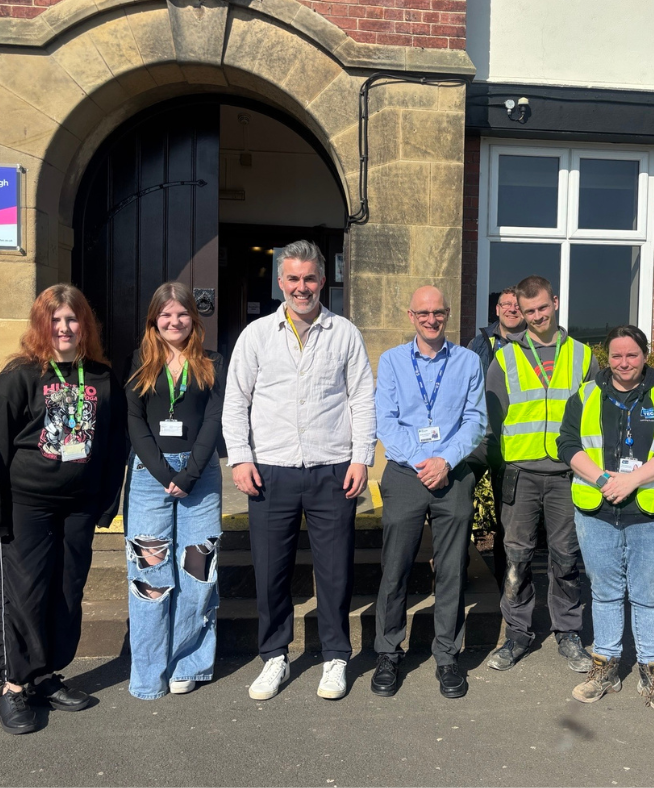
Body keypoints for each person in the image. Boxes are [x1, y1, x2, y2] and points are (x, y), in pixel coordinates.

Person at [222, 240, 376, 702]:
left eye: (309, 278)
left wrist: (361, 457)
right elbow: (236, 401)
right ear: (280, 281)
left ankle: (334, 656)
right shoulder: (256, 335)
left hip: (332, 468)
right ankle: (274, 656)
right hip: (271, 470)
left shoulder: (344, 332)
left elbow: (361, 399)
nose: (301, 287)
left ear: (322, 280)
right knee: (270, 570)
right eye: (292, 278)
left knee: (334, 571)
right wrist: (241, 456)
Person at [0, 284, 127, 735]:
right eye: (55, 320)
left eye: (72, 319)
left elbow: (113, 445)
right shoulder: (20, 376)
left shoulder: (100, 376)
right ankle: (14, 684)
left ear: (86, 325)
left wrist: (105, 502)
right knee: (24, 596)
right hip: (27, 507)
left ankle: (44, 676)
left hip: (77, 507)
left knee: (66, 593)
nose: (64, 328)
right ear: (42, 325)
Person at [558, 325, 654, 711]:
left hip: (651, 514)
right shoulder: (586, 396)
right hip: (597, 510)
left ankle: (653, 675)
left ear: (645, 356)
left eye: (631, 355)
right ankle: (606, 667)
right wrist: (603, 480)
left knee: (648, 596)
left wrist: (632, 480)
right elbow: (566, 444)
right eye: (616, 356)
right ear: (607, 358)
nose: (623, 363)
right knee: (604, 593)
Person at [371, 286, 486, 699]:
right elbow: (385, 420)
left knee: (452, 568)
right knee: (395, 566)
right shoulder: (392, 361)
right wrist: (423, 459)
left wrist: (445, 461)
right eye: (424, 312)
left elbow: (475, 420)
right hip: (405, 471)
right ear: (411, 315)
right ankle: (388, 651)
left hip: (451, 472)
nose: (432, 319)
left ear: (448, 314)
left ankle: (447, 656)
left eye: (439, 312)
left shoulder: (468, 361)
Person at [485, 275, 599, 674]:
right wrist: (502, 468)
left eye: (541, 308)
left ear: (554, 302)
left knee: (566, 557)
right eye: (527, 310)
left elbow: (594, 419)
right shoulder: (504, 357)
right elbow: (492, 421)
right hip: (520, 473)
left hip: (567, 474)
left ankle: (567, 633)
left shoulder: (584, 356)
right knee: (516, 558)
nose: (535, 316)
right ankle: (516, 633)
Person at [124, 282, 225, 700]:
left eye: (181, 314)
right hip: (150, 477)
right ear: (154, 320)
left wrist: (188, 475)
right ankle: (148, 674)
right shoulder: (140, 362)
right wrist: (163, 471)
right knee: (149, 575)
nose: (174, 321)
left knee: (197, 572)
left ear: (193, 318)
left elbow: (213, 422)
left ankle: (189, 662)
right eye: (165, 315)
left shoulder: (213, 361)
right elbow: (135, 422)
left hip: (200, 478)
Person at [466, 287, 525, 588]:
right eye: (506, 304)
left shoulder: (534, 345)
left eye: (517, 305)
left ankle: (508, 583)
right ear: (497, 310)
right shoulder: (479, 342)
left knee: (509, 517)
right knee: (458, 492)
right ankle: (456, 565)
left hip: (514, 441)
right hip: (480, 436)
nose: (512, 309)